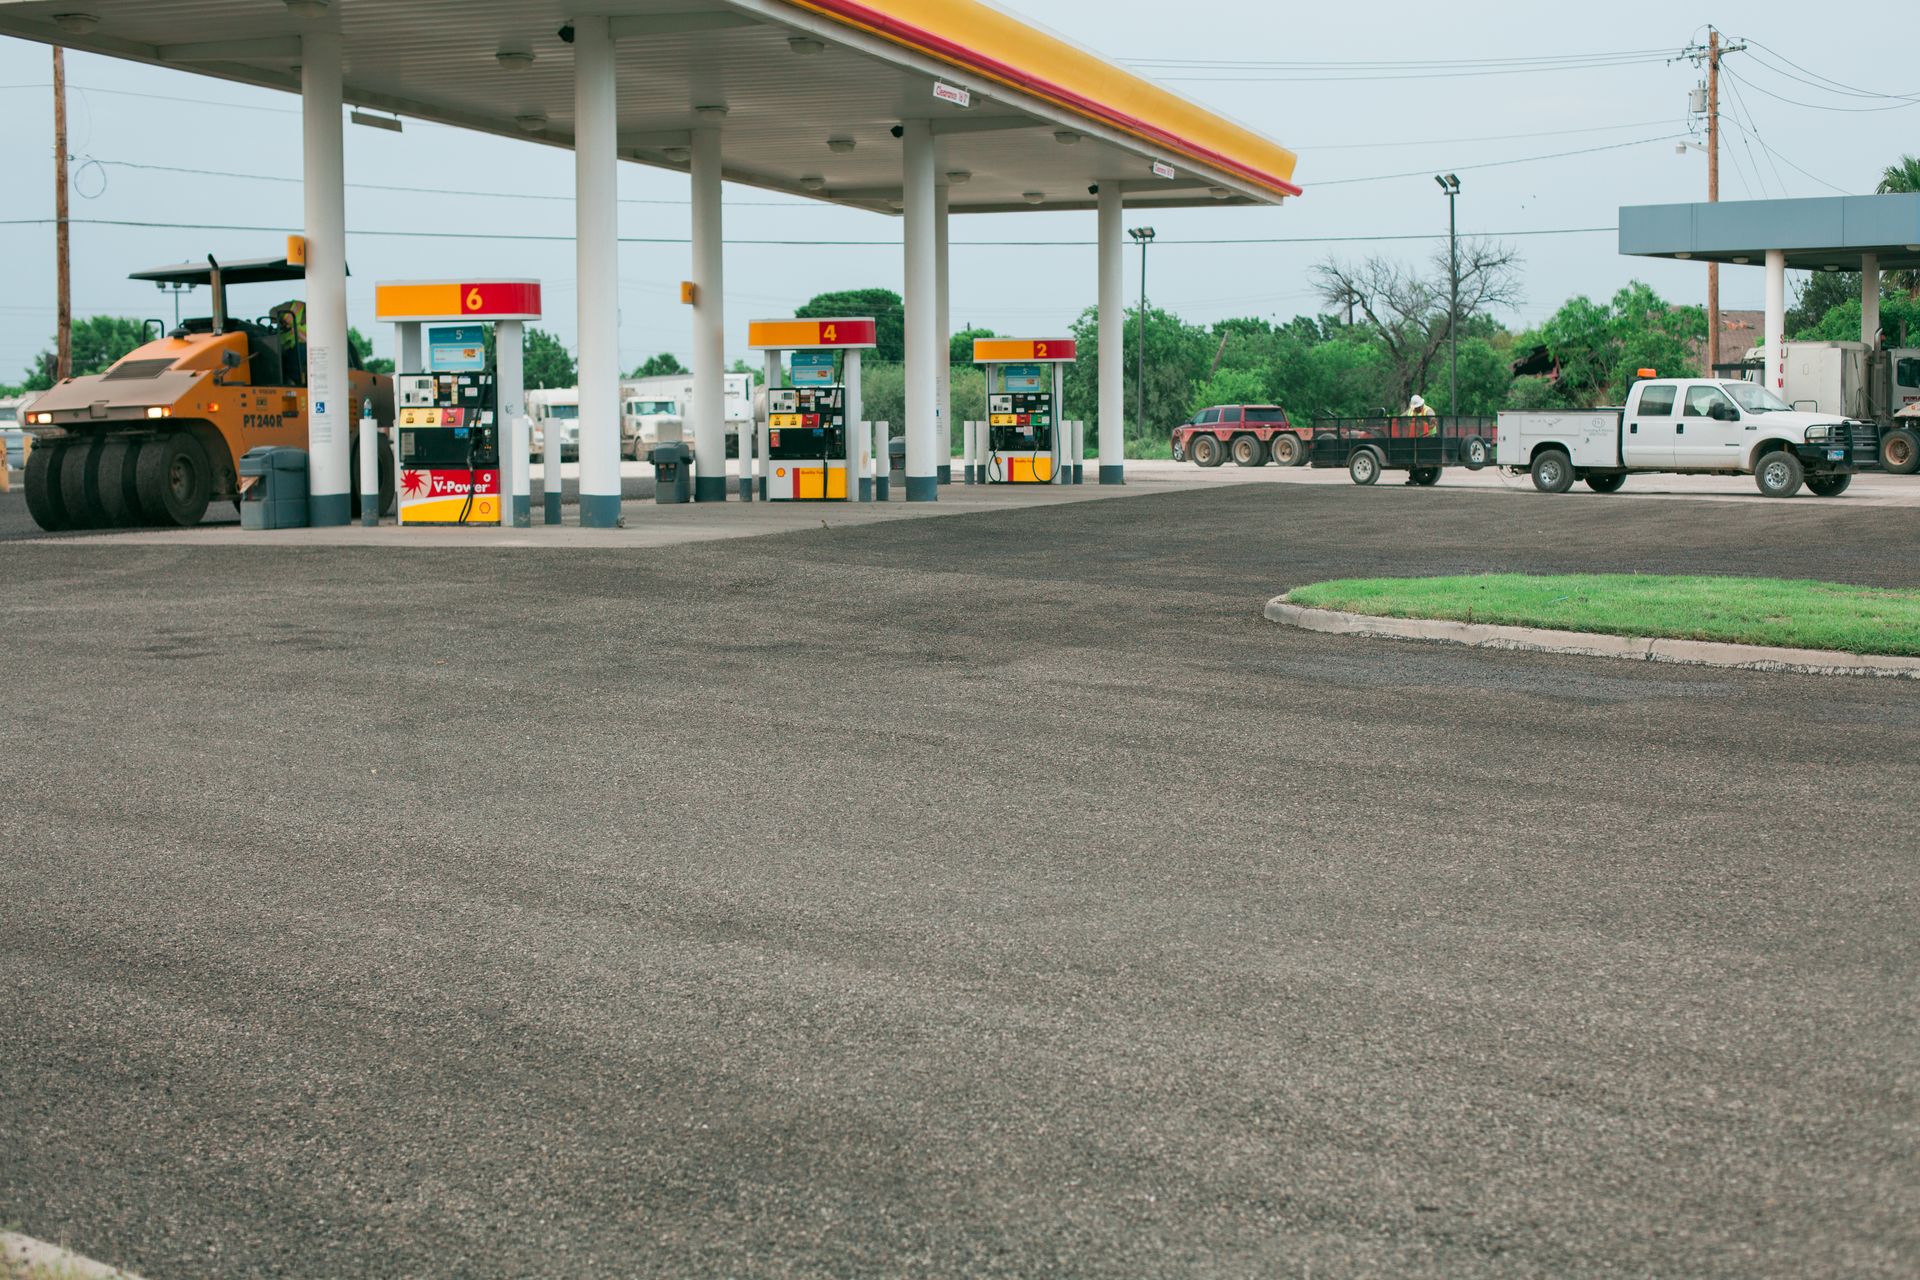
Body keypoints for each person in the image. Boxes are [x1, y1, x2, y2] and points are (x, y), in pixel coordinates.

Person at [272, 300, 308, 385]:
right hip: (283, 343)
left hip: (301, 346)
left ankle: (295, 382)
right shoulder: (295, 306)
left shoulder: (322, 319)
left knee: (300, 352)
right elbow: (273, 311)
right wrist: (282, 322)